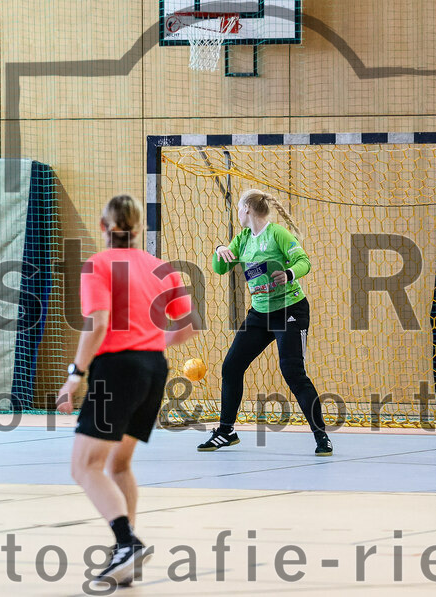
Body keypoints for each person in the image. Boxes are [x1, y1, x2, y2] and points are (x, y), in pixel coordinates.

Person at [57, 194, 199, 588]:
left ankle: (126, 543)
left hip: (116, 370)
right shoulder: (159, 267)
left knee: (83, 466)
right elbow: (188, 326)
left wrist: (75, 374)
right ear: (138, 230)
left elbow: (98, 324)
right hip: (153, 369)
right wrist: (150, 346)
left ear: (104, 227)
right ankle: (127, 557)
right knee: (117, 465)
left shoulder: (98, 265)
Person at [198, 188, 332, 456]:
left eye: (238, 208)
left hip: (290, 310)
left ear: (246, 208)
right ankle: (226, 431)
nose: (237, 212)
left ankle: (321, 436)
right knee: (232, 366)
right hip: (260, 314)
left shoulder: (277, 234)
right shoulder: (243, 238)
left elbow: (303, 261)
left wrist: (290, 273)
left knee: (292, 371)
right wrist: (220, 248)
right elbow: (220, 268)